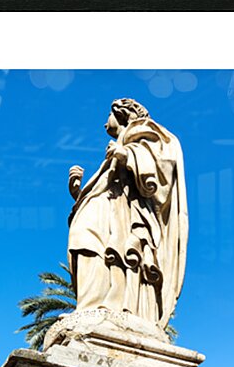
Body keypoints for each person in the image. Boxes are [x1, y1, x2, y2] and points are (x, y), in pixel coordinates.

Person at [66, 98, 188, 330]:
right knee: (84, 240)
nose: (105, 123)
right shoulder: (118, 146)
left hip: (127, 214)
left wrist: (126, 154)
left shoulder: (144, 132)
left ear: (121, 113)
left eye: (108, 115)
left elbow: (161, 168)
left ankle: (106, 305)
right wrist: (77, 192)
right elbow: (104, 187)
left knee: (100, 245)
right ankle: (89, 304)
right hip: (107, 208)